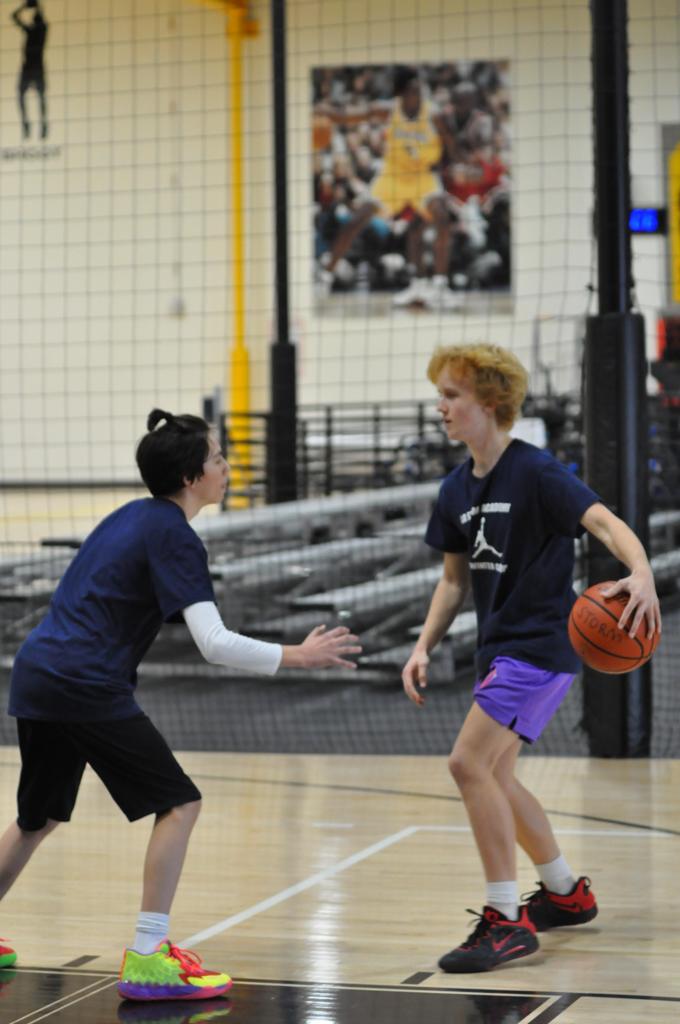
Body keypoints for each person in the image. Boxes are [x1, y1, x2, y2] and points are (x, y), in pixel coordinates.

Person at [0, 409, 361, 1000]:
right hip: (83, 683)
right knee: (180, 803)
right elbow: (213, 643)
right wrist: (299, 655)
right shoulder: (174, 535)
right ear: (192, 478)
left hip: (39, 675)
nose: (226, 467)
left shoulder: (130, 516)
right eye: (217, 459)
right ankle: (148, 956)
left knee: (37, 818)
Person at [401, 344, 661, 973]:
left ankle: (504, 920)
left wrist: (641, 570)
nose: (440, 407)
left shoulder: (536, 472)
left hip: (541, 643)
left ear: (490, 401)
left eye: (452, 395)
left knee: (467, 764)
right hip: (500, 648)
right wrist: (422, 644)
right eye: (440, 395)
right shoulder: (454, 489)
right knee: (497, 776)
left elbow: (604, 522)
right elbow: (453, 581)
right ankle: (566, 893)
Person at [318, 67, 460, 311]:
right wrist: (328, 113)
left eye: (420, 88)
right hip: (393, 176)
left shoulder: (434, 115)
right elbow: (352, 115)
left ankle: (439, 285)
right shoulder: (389, 109)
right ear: (402, 92)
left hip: (422, 176)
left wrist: (455, 168)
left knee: (442, 217)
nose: (418, 93)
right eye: (412, 89)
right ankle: (325, 277)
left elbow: (452, 145)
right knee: (356, 220)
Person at [11, 0, 48, 140]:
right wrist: (30, 6)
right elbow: (14, 17)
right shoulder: (32, 31)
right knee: (28, 96)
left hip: (34, 68)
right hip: (30, 68)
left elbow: (15, 16)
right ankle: (28, 125)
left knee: (40, 97)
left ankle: (41, 124)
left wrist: (27, 7)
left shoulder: (40, 30)